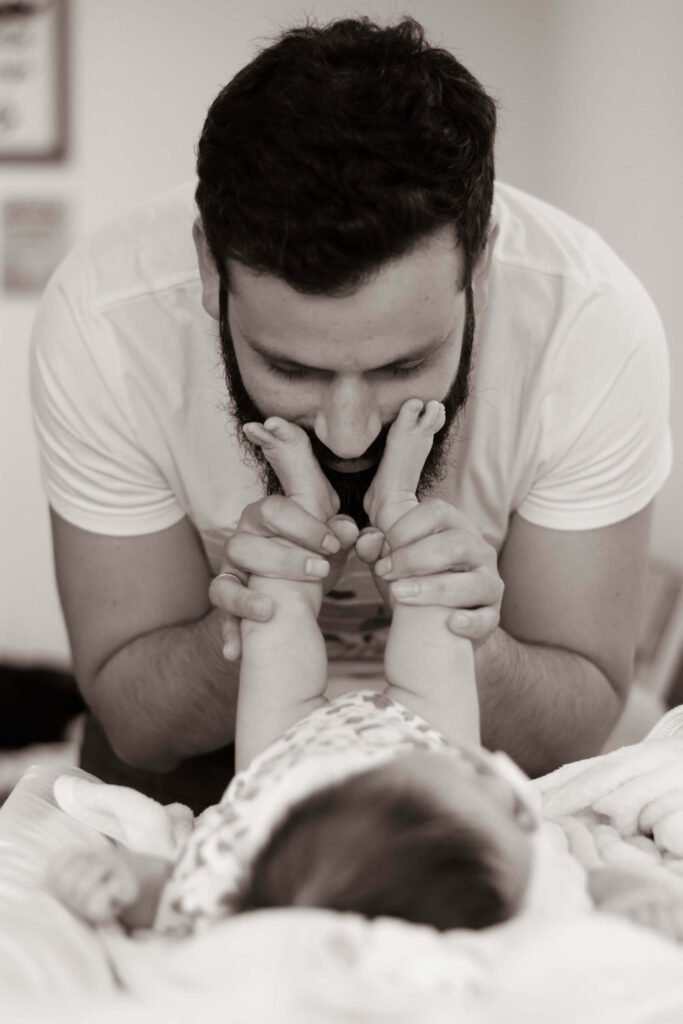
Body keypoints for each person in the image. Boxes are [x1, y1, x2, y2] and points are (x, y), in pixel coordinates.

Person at [30, 17, 671, 813]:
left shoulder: (591, 326)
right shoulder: (106, 322)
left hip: (489, 750)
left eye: (402, 366)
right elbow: (136, 724)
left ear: (480, 264)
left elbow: (578, 718)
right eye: (289, 367)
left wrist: (462, 633)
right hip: (207, 747)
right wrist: (255, 616)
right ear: (208, 269)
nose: (347, 433)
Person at [50, 400, 540, 935]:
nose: (503, 794)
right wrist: (628, 893)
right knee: (432, 599)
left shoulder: (255, 886)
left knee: (272, 623)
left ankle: (305, 504)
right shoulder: (488, 893)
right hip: (432, 754)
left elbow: (173, 889)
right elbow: (580, 887)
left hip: (282, 778)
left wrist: (120, 884)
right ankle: (397, 498)